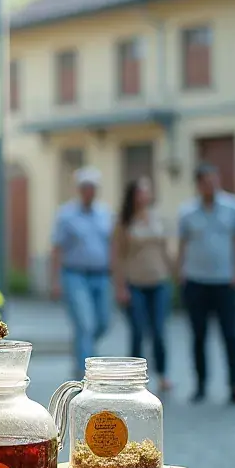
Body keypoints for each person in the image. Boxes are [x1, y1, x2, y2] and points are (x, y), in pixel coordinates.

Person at [177, 162, 235, 406]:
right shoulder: (187, 211)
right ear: (198, 185)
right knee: (199, 336)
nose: (211, 185)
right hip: (196, 281)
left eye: (214, 180)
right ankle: (200, 385)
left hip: (224, 282)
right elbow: (182, 244)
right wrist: (180, 273)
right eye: (206, 182)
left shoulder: (233, 207)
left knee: (231, 336)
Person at [50, 166, 112, 380]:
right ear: (79, 190)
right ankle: (88, 373)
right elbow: (57, 249)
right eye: (85, 187)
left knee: (103, 323)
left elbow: (113, 245)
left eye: (92, 188)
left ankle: (82, 351)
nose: (89, 192)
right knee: (85, 324)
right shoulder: (66, 215)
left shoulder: (105, 214)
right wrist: (55, 281)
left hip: (101, 275)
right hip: (75, 275)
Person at [113, 177, 172, 391]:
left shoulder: (158, 218)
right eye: (140, 191)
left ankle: (163, 374)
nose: (144, 195)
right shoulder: (124, 222)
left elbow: (166, 250)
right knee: (138, 330)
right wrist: (120, 287)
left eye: (147, 191)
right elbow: (117, 256)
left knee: (158, 330)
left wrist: (174, 272)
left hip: (159, 281)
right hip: (135, 283)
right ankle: (135, 376)